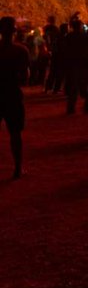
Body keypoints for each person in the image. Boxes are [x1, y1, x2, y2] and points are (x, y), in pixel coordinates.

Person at [0, 15, 28, 178]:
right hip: (12, 94)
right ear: (14, 31)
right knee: (15, 133)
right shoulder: (20, 50)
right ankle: (18, 168)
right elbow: (25, 77)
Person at [61, 17, 88, 114]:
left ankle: (71, 108)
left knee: (74, 86)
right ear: (80, 27)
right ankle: (87, 106)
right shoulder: (86, 36)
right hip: (86, 62)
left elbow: (65, 49)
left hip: (73, 63)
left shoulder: (68, 36)